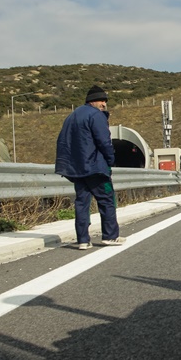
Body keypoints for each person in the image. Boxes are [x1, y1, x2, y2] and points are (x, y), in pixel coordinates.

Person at [55, 85, 126, 249]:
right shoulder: (96, 116)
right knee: (107, 199)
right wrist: (110, 160)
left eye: (105, 101)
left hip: (77, 169)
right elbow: (104, 141)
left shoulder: (71, 117)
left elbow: (63, 142)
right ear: (92, 101)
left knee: (81, 202)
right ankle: (110, 236)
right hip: (96, 168)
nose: (104, 104)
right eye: (102, 100)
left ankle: (83, 240)